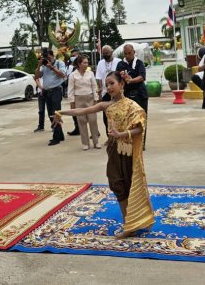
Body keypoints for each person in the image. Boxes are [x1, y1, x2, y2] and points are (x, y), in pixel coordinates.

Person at [54, 71, 154, 238]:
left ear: (122, 84)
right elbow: (82, 111)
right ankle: (128, 224)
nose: (108, 87)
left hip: (128, 152)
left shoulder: (132, 106)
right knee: (116, 183)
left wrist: (123, 134)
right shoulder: (105, 105)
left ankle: (136, 221)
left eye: (111, 83)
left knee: (131, 184)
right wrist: (60, 113)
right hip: (114, 150)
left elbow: (139, 128)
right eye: (106, 84)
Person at [67, 55, 100, 150]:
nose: (86, 64)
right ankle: (85, 143)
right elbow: (70, 89)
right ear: (79, 64)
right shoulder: (73, 75)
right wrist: (72, 102)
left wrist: (96, 99)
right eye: (84, 62)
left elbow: (94, 87)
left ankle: (96, 141)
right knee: (82, 121)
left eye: (87, 62)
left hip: (90, 98)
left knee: (93, 120)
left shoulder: (90, 74)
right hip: (78, 99)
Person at [35, 48, 67, 146]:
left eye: (48, 57)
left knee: (55, 113)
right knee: (50, 114)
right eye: (45, 57)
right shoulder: (43, 65)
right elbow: (37, 76)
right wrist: (39, 65)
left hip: (56, 90)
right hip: (47, 92)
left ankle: (56, 138)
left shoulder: (59, 63)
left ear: (52, 55)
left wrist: (52, 67)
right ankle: (60, 134)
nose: (47, 59)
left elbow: (63, 75)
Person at [95, 45, 122, 131]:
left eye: (107, 53)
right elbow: (99, 78)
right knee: (106, 117)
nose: (105, 55)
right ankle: (109, 137)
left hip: (117, 93)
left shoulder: (119, 62)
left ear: (112, 52)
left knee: (118, 115)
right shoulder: (100, 63)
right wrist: (100, 90)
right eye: (104, 53)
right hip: (105, 93)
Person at [66, 49, 81, 137]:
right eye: (72, 56)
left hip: (82, 94)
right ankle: (77, 128)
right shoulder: (70, 66)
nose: (73, 58)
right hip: (73, 93)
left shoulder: (82, 67)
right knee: (74, 112)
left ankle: (95, 131)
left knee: (87, 114)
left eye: (75, 56)